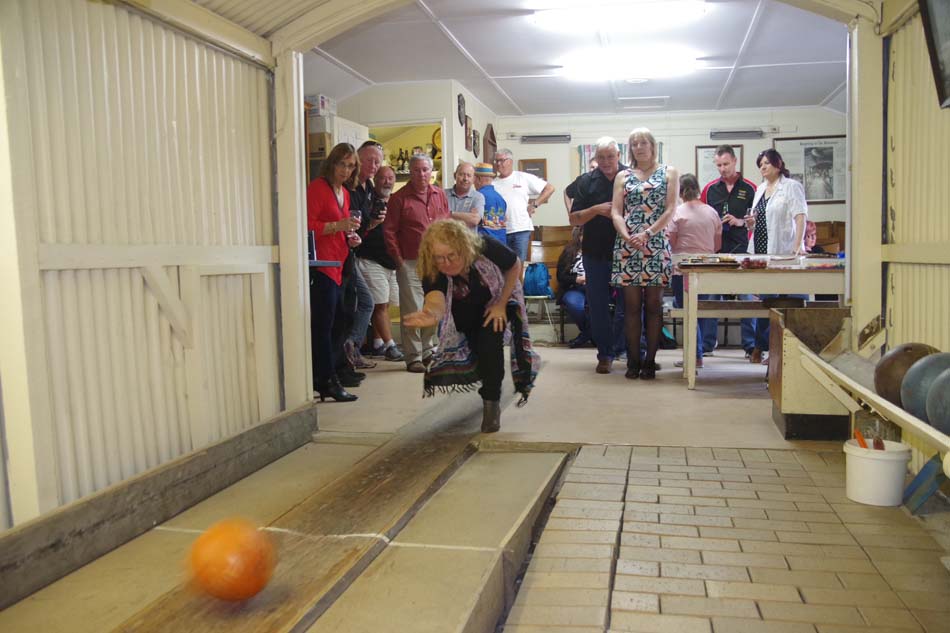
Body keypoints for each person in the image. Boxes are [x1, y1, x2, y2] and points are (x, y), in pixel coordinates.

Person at [404, 220, 539, 433]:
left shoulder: (485, 245)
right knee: (479, 352)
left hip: (497, 298)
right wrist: (431, 315)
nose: (446, 262)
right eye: (439, 257)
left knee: (490, 346)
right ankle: (488, 381)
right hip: (464, 311)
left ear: (464, 247)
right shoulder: (432, 266)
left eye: (451, 255)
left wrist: (501, 304)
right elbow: (435, 297)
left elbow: (514, 265)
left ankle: (491, 404)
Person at [611, 128, 679, 380]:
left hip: (655, 243)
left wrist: (648, 233)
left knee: (653, 306)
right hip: (628, 244)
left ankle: (649, 360)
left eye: (643, 143)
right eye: (634, 144)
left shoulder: (669, 172)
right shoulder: (623, 176)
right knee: (630, 307)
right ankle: (633, 360)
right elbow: (616, 211)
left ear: (652, 146)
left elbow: (671, 209)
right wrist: (627, 235)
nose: (639, 147)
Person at [565, 137, 628, 373]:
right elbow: (573, 219)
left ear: (619, 155)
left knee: (629, 305)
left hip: (627, 253)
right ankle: (605, 354)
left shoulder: (631, 178)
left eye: (610, 156)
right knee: (598, 305)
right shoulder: (585, 181)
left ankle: (627, 349)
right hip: (595, 252)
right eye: (601, 157)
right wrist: (596, 210)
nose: (606, 161)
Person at [383, 153, 451, 372]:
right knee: (413, 308)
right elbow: (389, 231)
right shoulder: (399, 198)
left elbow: (447, 224)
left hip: (437, 261)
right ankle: (413, 357)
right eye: (417, 170)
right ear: (411, 172)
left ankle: (428, 350)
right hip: (410, 261)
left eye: (425, 169)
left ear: (431, 172)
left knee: (433, 305)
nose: (421, 174)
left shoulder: (439, 194)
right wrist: (399, 260)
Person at [745, 148, 809, 364]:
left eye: (766, 163)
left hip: (783, 251)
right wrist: (751, 223)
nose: (763, 167)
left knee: (787, 301)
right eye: (760, 164)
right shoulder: (761, 188)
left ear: (778, 164)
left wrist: (797, 246)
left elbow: (800, 216)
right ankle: (761, 346)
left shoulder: (791, 186)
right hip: (762, 252)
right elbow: (759, 219)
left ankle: (782, 349)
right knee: (766, 300)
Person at [308, 143, 361, 402]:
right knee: (324, 325)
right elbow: (307, 225)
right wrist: (338, 226)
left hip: (339, 263)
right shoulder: (318, 188)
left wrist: (350, 237)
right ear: (332, 163)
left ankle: (329, 375)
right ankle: (326, 379)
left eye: (351, 166)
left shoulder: (345, 193)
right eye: (342, 164)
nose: (346, 170)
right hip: (321, 265)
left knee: (339, 323)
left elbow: (341, 227)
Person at [700, 145, 759, 358]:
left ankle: (750, 346)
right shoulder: (709, 189)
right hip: (716, 250)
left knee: (746, 298)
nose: (722, 168)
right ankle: (707, 345)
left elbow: (757, 220)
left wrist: (740, 221)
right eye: (718, 165)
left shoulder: (751, 188)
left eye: (725, 164)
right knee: (711, 297)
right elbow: (701, 216)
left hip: (742, 249)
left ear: (735, 161)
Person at [668, 173, 722, 369]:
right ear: (698, 189)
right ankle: (700, 350)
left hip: (682, 269)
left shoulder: (676, 212)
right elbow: (717, 245)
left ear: (680, 192)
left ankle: (695, 355)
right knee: (701, 310)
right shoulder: (712, 212)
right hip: (707, 267)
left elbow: (672, 243)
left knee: (688, 311)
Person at [355, 164, 404, 362]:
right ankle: (391, 346)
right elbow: (360, 228)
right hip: (370, 259)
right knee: (380, 304)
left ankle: (377, 343)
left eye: (391, 178)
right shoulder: (368, 201)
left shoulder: (396, 201)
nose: (387, 182)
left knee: (386, 303)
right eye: (383, 178)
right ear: (375, 180)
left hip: (391, 262)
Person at [492, 148, 555, 261]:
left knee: (519, 265)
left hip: (521, 229)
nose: (498, 164)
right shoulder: (493, 183)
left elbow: (549, 188)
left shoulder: (523, 177)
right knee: (502, 265)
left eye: (501, 160)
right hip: (500, 231)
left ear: (510, 161)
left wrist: (534, 205)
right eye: (496, 161)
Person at [556, 227, 591, 348]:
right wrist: (576, 279)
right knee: (575, 305)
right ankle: (589, 333)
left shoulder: (599, 251)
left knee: (599, 306)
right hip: (574, 287)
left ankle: (586, 335)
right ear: (579, 237)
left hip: (595, 288)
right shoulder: (569, 252)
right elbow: (560, 276)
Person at [474, 162, 507, 243]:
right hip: (501, 243)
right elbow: (504, 219)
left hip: (484, 242)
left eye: (474, 178)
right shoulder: (500, 198)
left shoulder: (478, 196)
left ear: (478, 179)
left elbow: (473, 220)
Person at [446, 162, 485, 229]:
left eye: (469, 175)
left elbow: (475, 220)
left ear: (474, 179)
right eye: (461, 174)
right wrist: (467, 216)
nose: (465, 179)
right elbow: (436, 217)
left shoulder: (478, 197)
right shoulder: (442, 194)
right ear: (455, 176)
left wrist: (449, 214)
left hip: (468, 236)